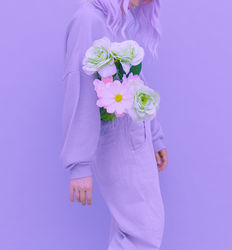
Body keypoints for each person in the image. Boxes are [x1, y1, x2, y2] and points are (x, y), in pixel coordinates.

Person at [60, 0, 168, 249]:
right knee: (143, 233)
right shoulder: (88, 20)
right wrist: (79, 163)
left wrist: (155, 134)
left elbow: (134, 84)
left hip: (135, 139)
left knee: (131, 230)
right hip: (120, 143)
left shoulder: (114, 21)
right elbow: (80, 91)